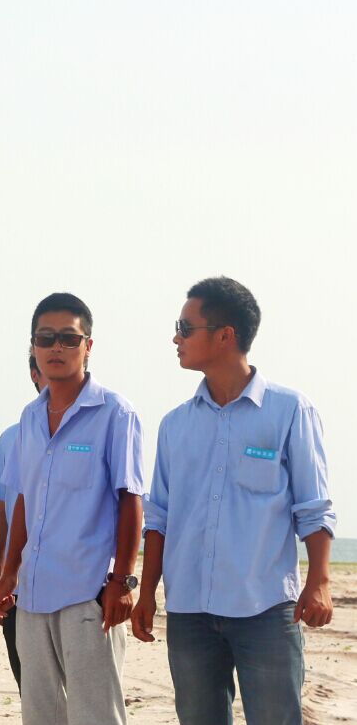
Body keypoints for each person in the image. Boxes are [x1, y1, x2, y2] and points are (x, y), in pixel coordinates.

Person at [132, 277, 336, 725]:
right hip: (189, 612)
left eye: (185, 328)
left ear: (225, 335)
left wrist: (319, 581)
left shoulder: (290, 411)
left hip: (265, 608)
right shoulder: (174, 425)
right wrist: (146, 593)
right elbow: (159, 518)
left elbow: (313, 507)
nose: (176, 338)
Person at [0, 293, 144, 725]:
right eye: (46, 338)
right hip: (32, 594)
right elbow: (23, 499)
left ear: (88, 345)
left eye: (68, 338)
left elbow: (131, 500)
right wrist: (8, 572)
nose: (56, 347)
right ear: (33, 346)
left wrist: (123, 580)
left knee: (96, 715)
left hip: (88, 593)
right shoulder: (29, 417)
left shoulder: (115, 413)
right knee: (40, 714)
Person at [0, 356, 43, 691]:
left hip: (80, 592)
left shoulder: (105, 425)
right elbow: (3, 512)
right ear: (34, 374)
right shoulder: (12, 437)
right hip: (18, 593)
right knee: (31, 693)